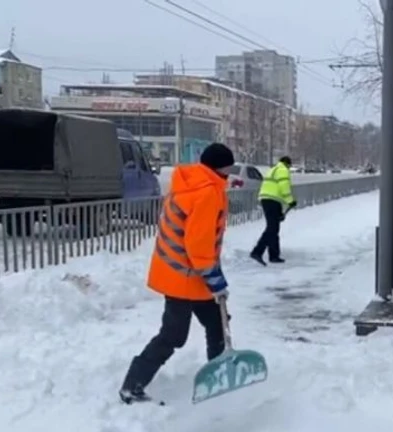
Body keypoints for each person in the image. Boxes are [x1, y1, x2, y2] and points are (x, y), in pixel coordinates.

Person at [118, 142, 235, 404]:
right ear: (219, 168)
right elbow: (198, 244)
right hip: (184, 276)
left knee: (217, 321)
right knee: (174, 334)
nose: (230, 173)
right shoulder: (207, 192)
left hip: (184, 272)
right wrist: (215, 280)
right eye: (228, 168)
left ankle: (218, 374)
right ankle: (132, 385)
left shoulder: (190, 183)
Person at [250, 156, 296, 265]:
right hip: (272, 200)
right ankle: (257, 251)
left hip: (267, 199)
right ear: (287, 164)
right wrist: (290, 201)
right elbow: (284, 187)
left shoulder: (272, 169)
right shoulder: (283, 170)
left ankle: (274, 255)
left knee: (274, 227)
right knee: (272, 227)